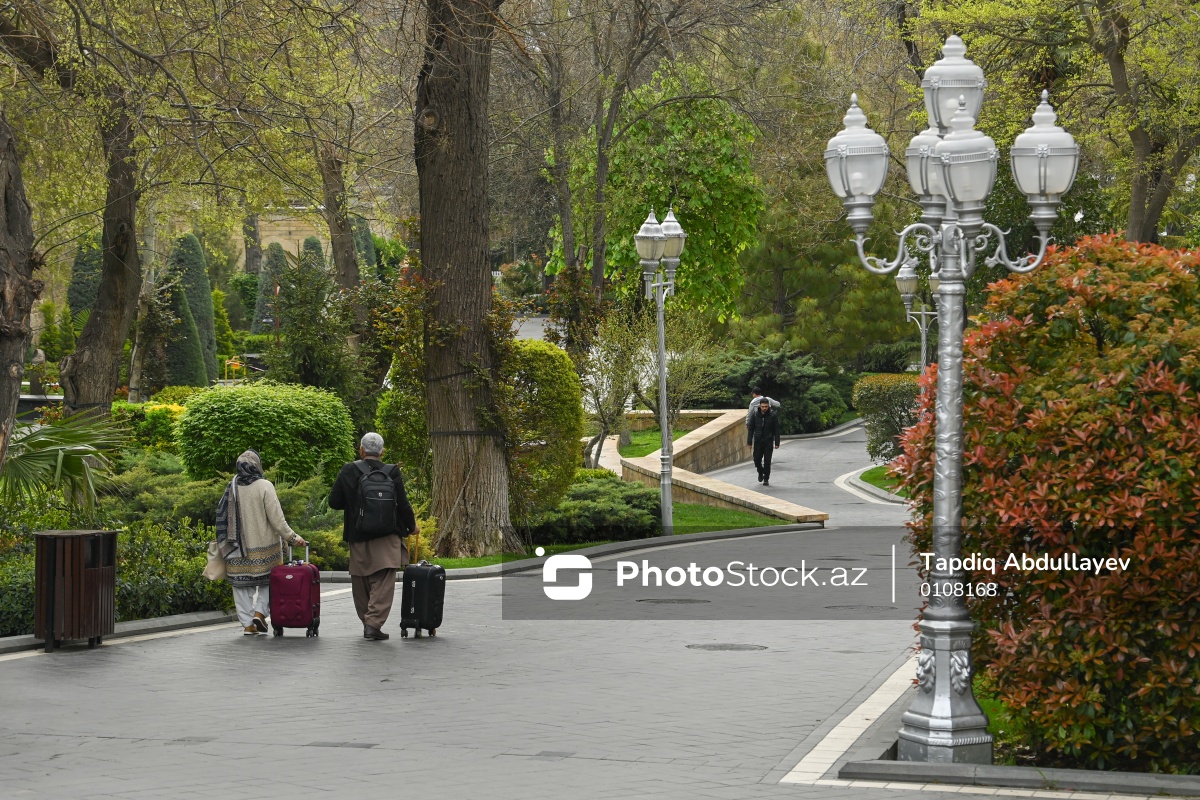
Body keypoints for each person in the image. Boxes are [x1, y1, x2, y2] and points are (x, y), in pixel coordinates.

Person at [328, 432, 417, 641]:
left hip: (358, 534)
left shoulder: (349, 470)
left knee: (361, 580)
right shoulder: (391, 472)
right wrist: (412, 526)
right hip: (387, 535)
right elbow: (402, 503)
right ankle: (373, 624)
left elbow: (334, 502)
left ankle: (368, 622)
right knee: (383, 580)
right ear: (382, 452)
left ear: (361, 450)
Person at [215, 450, 307, 635]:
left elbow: (220, 515)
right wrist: (293, 538)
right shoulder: (265, 486)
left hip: (237, 547)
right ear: (257, 466)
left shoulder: (231, 486)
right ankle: (260, 613)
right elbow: (277, 520)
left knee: (241, 587)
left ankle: (248, 625)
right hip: (266, 548)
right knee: (270, 581)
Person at [747, 398, 781, 486]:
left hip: (768, 441)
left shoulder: (772, 415)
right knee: (756, 459)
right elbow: (751, 429)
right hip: (758, 441)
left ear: (768, 406)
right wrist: (749, 442)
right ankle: (760, 471)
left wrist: (777, 442)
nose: (764, 408)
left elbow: (776, 429)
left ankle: (766, 478)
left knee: (767, 461)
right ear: (760, 406)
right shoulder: (755, 415)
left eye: (766, 406)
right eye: (763, 406)